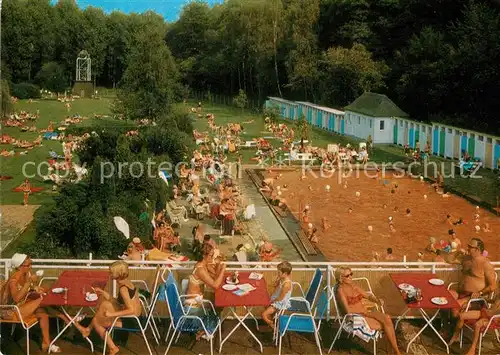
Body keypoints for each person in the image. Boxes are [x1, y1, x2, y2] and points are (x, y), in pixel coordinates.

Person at [74, 261, 141, 355]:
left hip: (132, 321)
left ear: (118, 274)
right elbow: (118, 302)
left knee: (97, 322)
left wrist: (111, 314)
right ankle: (87, 330)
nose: (109, 274)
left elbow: (131, 310)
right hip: (134, 317)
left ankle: (113, 348)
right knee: (105, 304)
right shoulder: (126, 282)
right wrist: (102, 292)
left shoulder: (123, 289)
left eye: (111, 272)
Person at [335, 267, 401, 355]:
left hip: (365, 313)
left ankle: (396, 351)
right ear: (340, 278)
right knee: (385, 325)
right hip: (355, 318)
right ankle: (395, 352)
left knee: (387, 318)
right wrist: (361, 316)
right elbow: (347, 312)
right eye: (347, 275)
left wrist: (377, 300)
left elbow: (368, 296)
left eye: (351, 274)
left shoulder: (354, 286)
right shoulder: (341, 291)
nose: (351, 277)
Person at [4, 254, 62, 353]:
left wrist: (34, 288)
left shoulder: (26, 274)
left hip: (22, 306)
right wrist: (29, 283)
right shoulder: (13, 280)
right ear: (19, 266)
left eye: (31, 263)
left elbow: (26, 290)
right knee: (43, 299)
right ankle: (72, 320)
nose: (31, 266)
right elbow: (17, 298)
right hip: (10, 311)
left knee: (42, 313)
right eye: (28, 264)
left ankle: (46, 343)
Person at [446, 238, 497, 319]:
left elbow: (493, 286)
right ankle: (444, 325)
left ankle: (453, 330)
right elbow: (449, 259)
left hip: (474, 298)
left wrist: (479, 293)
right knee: (443, 298)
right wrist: (458, 251)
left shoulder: (486, 264)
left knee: (454, 306)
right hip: (460, 292)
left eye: (470, 246)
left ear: (477, 249)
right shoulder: (466, 259)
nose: (467, 248)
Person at [185, 244, 226, 338]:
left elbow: (215, 275)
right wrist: (223, 269)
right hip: (193, 308)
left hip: (197, 302)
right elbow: (215, 285)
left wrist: (219, 264)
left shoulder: (202, 265)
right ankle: (204, 331)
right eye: (211, 255)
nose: (212, 257)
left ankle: (205, 330)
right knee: (218, 309)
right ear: (204, 256)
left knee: (218, 307)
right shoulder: (200, 270)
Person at [261, 261, 292, 329]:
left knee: (264, 315)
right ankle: (272, 323)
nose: (277, 274)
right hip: (276, 298)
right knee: (264, 304)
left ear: (285, 273)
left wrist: (272, 301)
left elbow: (280, 298)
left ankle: (273, 326)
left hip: (280, 303)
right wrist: (277, 281)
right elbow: (276, 286)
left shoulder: (286, 285)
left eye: (279, 272)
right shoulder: (282, 278)